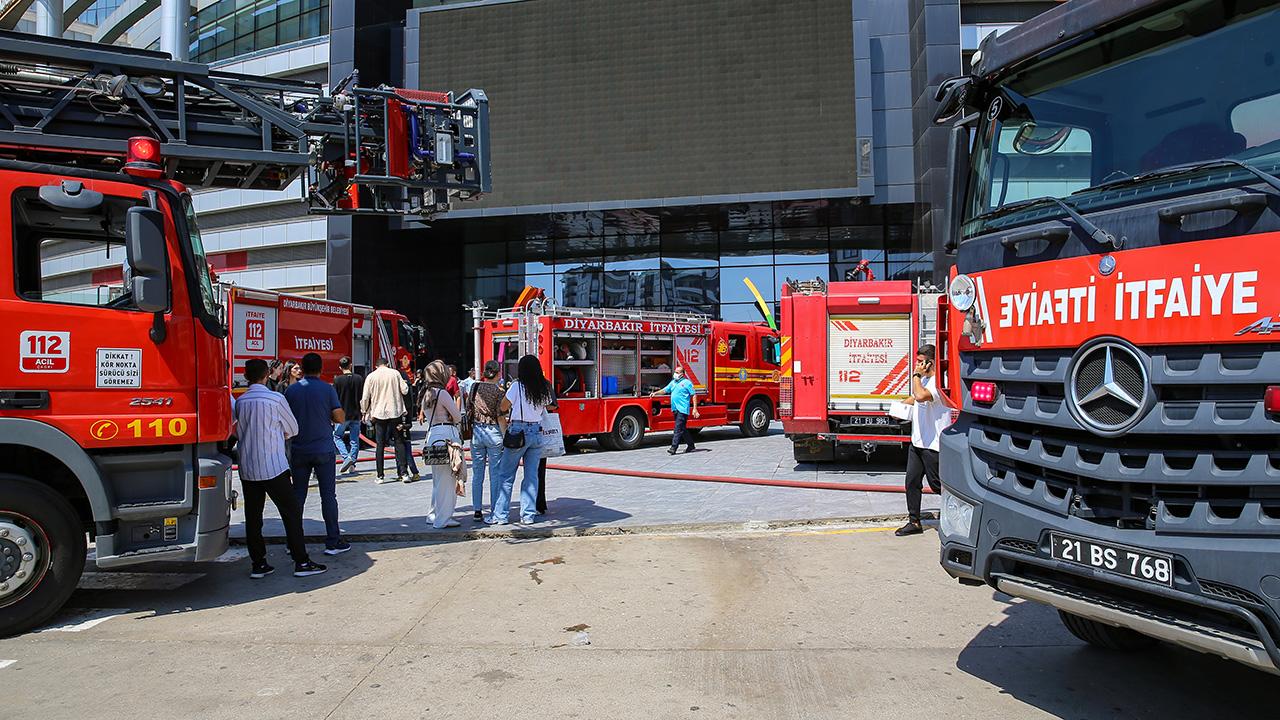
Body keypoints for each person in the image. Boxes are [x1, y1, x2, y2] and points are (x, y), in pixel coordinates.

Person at [232, 358, 327, 578]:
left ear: (246, 377)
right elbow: (293, 428)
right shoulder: (275, 399)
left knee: (253, 517)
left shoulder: (241, 401)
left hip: (248, 466)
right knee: (291, 513)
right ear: (267, 375)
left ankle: (258, 563)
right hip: (274, 464)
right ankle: (301, 561)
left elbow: (236, 431)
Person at [285, 352, 349, 555]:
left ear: (301, 369)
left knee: (298, 497)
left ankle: (293, 542)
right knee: (328, 496)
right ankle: (333, 540)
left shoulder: (291, 391)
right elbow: (339, 417)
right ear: (321, 368)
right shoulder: (326, 389)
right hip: (323, 449)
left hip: (298, 449)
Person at [489, 355, 556, 525]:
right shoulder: (543, 387)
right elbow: (549, 406)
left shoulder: (516, 386)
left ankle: (501, 515)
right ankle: (528, 515)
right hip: (536, 432)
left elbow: (503, 407)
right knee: (531, 476)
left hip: (517, 432)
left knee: (506, 475)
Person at [896, 344, 952, 537]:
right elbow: (915, 397)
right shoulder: (927, 380)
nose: (918, 365)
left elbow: (921, 396)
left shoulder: (940, 381)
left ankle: (957, 517)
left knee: (937, 485)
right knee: (912, 482)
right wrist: (899, 408)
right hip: (917, 442)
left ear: (931, 361)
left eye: (921, 362)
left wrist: (915, 376)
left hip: (933, 444)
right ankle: (914, 522)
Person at [418, 360, 463, 528]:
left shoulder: (425, 393)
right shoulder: (442, 393)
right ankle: (443, 518)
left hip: (432, 436)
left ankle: (433, 513)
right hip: (447, 436)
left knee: (437, 479)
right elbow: (457, 416)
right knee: (447, 480)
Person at [361, 358, 409, 483]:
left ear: (376, 366)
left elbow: (365, 397)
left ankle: (380, 475)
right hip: (395, 411)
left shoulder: (371, 377)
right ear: (387, 364)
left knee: (380, 445)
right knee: (399, 442)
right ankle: (404, 473)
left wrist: (364, 411)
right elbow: (405, 390)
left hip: (379, 413)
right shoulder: (395, 373)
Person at [468, 361, 505, 521]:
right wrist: (505, 436)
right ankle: (494, 509)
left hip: (477, 431)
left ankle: (477, 509)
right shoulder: (499, 392)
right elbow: (501, 416)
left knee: (477, 474)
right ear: (498, 373)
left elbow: (469, 408)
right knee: (495, 473)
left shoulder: (474, 388)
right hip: (493, 432)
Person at [650, 364, 699, 455]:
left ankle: (673, 447)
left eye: (677, 372)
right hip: (675, 409)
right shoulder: (673, 382)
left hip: (683, 410)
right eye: (675, 372)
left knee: (677, 429)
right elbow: (665, 390)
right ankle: (691, 445)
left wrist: (695, 409)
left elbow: (694, 395)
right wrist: (656, 393)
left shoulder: (687, 383)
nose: (675, 374)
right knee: (682, 429)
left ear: (682, 374)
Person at [333, 356, 364, 473]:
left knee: (337, 436)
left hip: (342, 414)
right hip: (356, 413)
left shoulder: (337, 380)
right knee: (354, 439)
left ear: (340, 367)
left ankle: (347, 457)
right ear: (351, 365)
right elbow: (362, 397)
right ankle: (352, 464)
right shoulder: (359, 379)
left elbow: (334, 398)